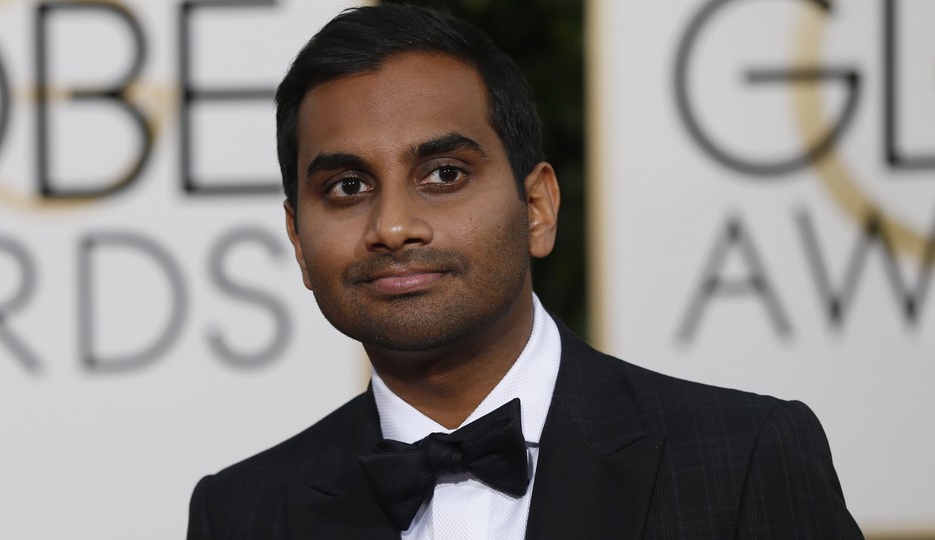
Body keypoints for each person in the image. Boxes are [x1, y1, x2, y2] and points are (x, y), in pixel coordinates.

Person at [187, 4, 862, 539]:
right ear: (298, 241)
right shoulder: (243, 513)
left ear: (536, 207)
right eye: (346, 188)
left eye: (444, 174)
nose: (392, 226)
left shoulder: (742, 461)